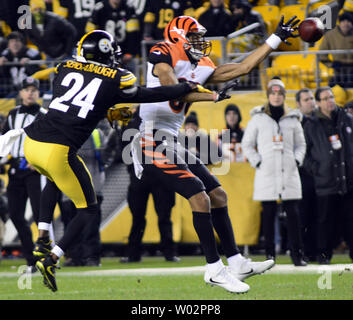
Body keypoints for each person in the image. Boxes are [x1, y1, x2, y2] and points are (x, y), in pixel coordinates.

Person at [18, 29, 215, 292]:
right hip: (58, 150)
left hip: (31, 143)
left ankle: (42, 234)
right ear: (104, 53)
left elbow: (78, 100)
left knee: (54, 179)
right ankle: (51, 257)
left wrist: (105, 108)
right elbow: (146, 95)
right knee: (88, 209)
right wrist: (184, 87)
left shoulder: (65, 67)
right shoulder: (116, 78)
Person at [134, 15, 300, 293]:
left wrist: (276, 39)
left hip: (172, 139)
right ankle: (213, 268)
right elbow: (174, 89)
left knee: (218, 195)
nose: (201, 42)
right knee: (198, 196)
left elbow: (243, 67)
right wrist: (210, 95)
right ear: (178, 36)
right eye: (196, 36)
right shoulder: (163, 51)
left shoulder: (201, 64)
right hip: (150, 139)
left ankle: (236, 261)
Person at [241, 78, 307, 266]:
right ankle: (270, 257)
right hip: (267, 172)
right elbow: (247, 144)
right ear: (268, 95)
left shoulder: (293, 119)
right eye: (273, 94)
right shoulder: (258, 118)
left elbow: (301, 144)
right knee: (268, 216)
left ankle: (297, 256)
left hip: (289, 172)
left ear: (284, 96)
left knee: (293, 215)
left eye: (280, 94)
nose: (276, 97)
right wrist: (258, 161)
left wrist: (296, 160)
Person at [121, 107, 180, 263]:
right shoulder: (161, 121)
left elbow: (124, 149)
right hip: (154, 176)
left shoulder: (132, 123)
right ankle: (168, 253)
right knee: (154, 217)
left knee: (148, 217)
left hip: (147, 176)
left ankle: (135, 254)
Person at [303, 86, 353, 264]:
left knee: (351, 220)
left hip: (348, 181)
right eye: (325, 98)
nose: (329, 101)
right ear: (318, 103)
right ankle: (324, 255)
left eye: (331, 97)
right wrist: (317, 169)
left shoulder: (347, 120)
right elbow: (304, 153)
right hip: (326, 182)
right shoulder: (311, 125)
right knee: (325, 222)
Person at [1, 77, 45, 272]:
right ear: (20, 93)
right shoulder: (12, 114)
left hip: (36, 171)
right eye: (26, 90)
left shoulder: (44, 115)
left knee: (40, 215)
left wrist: (41, 163)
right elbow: (3, 140)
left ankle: (46, 257)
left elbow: (50, 142)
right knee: (16, 215)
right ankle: (30, 260)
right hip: (15, 169)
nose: (30, 93)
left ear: (38, 93)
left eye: (33, 90)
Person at [60, 127, 106, 267]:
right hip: (70, 186)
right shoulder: (65, 131)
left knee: (90, 224)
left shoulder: (96, 133)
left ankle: (91, 257)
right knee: (71, 223)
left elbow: (104, 158)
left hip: (91, 185)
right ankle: (75, 257)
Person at [295, 88, 318, 262]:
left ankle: (318, 250)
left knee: (319, 216)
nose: (311, 102)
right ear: (298, 104)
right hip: (303, 175)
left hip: (322, 176)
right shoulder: (296, 123)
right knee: (303, 215)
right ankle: (303, 250)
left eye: (312, 98)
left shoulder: (321, 121)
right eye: (306, 99)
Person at [86, 0, 140, 70]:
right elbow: (90, 33)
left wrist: (130, 52)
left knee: (130, 76)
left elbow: (133, 33)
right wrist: (95, 52)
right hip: (103, 51)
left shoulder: (129, 7)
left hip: (124, 51)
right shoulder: (99, 8)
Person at [0, 32, 42, 97]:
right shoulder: (5, 54)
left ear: (22, 43)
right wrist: (2, 65)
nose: (15, 44)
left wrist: (29, 64)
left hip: (31, 88)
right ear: (8, 45)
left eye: (17, 41)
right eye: (12, 41)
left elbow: (40, 71)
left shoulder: (32, 53)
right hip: (12, 89)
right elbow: (4, 75)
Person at [319, 12, 353, 88]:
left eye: (349, 21)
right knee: (333, 89)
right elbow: (321, 54)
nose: (346, 24)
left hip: (352, 70)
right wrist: (331, 64)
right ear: (339, 22)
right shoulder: (330, 35)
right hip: (338, 70)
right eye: (343, 21)